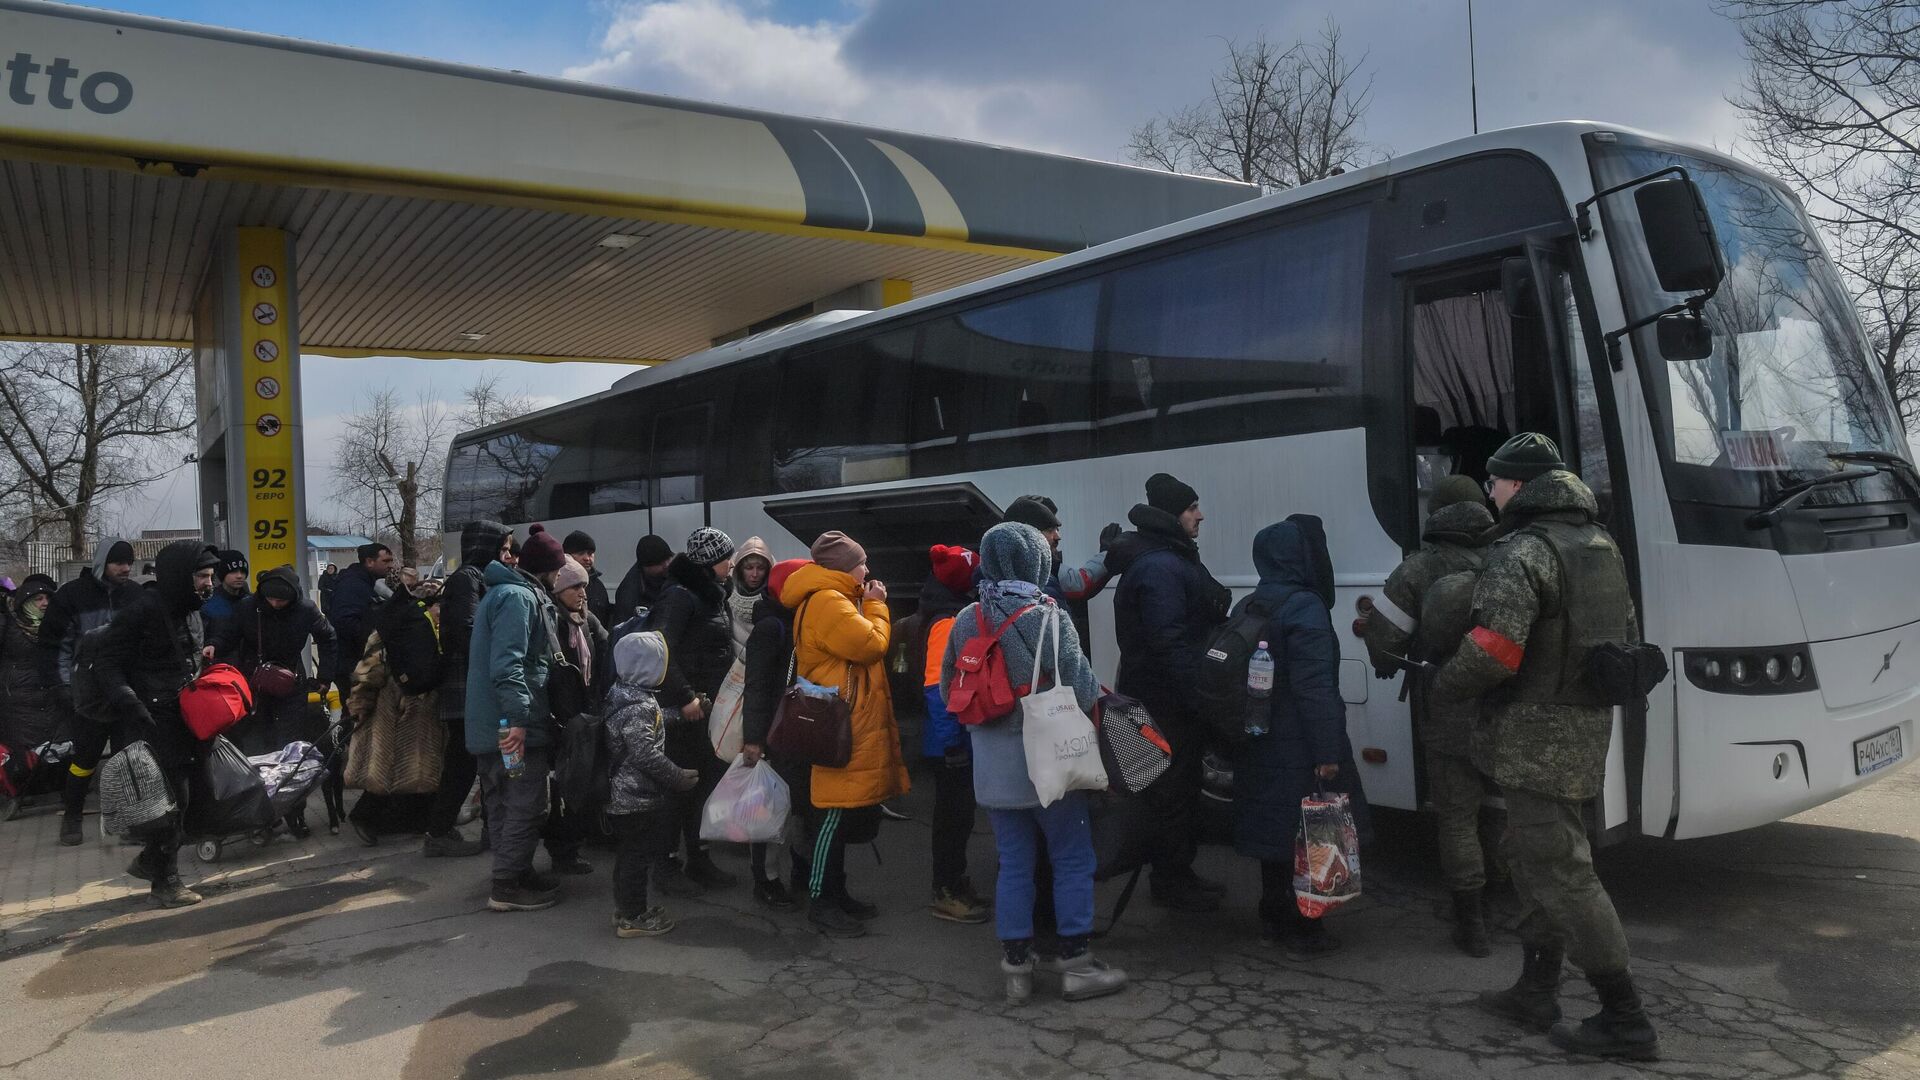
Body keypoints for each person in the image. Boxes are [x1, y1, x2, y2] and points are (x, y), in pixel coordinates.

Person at [1431, 433, 1659, 1061]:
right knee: (1532, 857)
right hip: (1583, 730)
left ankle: (1625, 1017)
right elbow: (1625, 642)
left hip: (1533, 737)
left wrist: (1443, 684)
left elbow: (1496, 650)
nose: (1490, 491)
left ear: (1519, 487)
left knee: (1560, 871)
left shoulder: (1523, 550)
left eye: (1496, 482)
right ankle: (1536, 990)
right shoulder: (1598, 543)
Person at [943, 522, 1125, 1004]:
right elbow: (1084, 689)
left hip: (993, 766)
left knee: (1014, 864)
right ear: (1036, 562)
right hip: (1051, 762)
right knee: (1071, 858)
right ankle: (1076, 963)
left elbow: (949, 691)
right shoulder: (1049, 616)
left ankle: (1017, 971)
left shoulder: (967, 619)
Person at [1359, 475, 1500, 956]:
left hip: (1448, 711)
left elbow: (1383, 645)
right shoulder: (1512, 557)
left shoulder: (1417, 569)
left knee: (1458, 818)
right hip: (1510, 708)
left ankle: (1472, 925)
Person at [1232, 515, 1372, 959]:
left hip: (1260, 736)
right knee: (1311, 833)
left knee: (1275, 831)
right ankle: (1304, 926)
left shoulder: (1250, 604)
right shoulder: (1305, 606)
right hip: (1298, 742)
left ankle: (1273, 913)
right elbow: (1315, 687)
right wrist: (1327, 751)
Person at [780, 530, 910, 938]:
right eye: (861, 563)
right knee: (830, 819)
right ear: (842, 568)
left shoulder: (831, 598)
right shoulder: (828, 601)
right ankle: (822, 901)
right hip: (838, 727)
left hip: (841, 722)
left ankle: (837, 895)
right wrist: (876, 606)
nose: (867, 569)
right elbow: (871, 645)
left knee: (836, 817)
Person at [1111, 472, 1231, 912]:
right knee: (1171, 794)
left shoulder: (1166, 557)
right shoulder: (1161, 566)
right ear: (1172, 516)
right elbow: (1170, 643)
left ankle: (1176, 874)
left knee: (1175, 791)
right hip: (1167, 703)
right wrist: (1201, 695)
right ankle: (1171, 881)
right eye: (1191, 508)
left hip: (1166, 698)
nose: (1200, 515)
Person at [92, 540, 219, 908]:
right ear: (182, 577)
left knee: (195, 800)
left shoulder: (191, 611)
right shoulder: (142, 610)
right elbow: (106, 662)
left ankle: (151, 861)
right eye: (202, 576)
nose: (208, 584)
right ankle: (167, 882)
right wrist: (128, 700)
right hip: (151, 722)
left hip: (188, 719)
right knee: (169, 804)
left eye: (211, 576)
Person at [466, 522, 567, 912]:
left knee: (503, 802)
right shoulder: (519, 599)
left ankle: (516, 871)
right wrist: (519, 720)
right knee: (525, 803)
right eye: (558, 568)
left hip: (493, 722)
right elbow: (509, 665)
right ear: (548, 568)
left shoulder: (502, 593)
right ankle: (507, 885)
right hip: (510, 725)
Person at [210, 565, 337, 838]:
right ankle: (261, 816)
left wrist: (325, 675)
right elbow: (228, 634)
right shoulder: (248, 607)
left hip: (291, 682)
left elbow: (328, 637)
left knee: (290, 749)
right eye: (271, 599)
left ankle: (295, 812)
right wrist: (214, 644)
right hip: (254, 684)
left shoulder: (305, 609)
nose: (276, 604)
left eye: (282, 600)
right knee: (258, 747)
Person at [648, 527, 741, 891]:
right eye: (726, 557)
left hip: (707, 707)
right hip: (684, 709)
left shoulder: (709, 595)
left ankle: (699, 859)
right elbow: (661, 650)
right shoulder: (680, 597)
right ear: (709, 562)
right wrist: (685, 696)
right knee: (679, 788)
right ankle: (666, 867)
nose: (731, 563)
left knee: (702, 785)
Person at [604, 630, 703, 938]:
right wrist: (677, 776)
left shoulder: (624, 693)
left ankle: (625, 909)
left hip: (623, 795)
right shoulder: (640, 706)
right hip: (636, 796)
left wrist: (684, 716)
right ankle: (634, 916)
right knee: (637, 856)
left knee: (628, 855)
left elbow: (654, 719)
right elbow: (645, 753)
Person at [42, 536, 139, 846]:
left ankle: (129, 821)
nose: (125, 568)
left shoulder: (136, 596)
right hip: (88, 695)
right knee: (84, 759)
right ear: (101, 563)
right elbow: (56, 647)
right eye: (118, 563)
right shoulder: (71, 597)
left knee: (129, 759)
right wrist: (63, 687)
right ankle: (72, 815)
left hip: (126, 692)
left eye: (128, 562)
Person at [427, 522, 509, 858]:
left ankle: (470, 828)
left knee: (477, 759)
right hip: (465, 684)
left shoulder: (477, 577)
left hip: (472, 682)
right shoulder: (467, 579)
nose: (507, 556)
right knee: (463, 762)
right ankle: (438, 831)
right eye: (503, 548)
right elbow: (467, 631)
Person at [344, 577, 446, 844]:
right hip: (407, 707)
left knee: (407, 767)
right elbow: (369, 670)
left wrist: (360, 703)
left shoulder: (396, 626)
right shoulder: (409, 628)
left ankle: (407, 821)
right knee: (393, 767)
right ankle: (365, 816)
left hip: (399, 707)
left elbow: (366, 671)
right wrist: (360, 704)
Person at [919, 543, 989, 924]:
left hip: (955, 739)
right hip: (950, 744)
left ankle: (954, 883)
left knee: (959, 817)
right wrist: (950, 745)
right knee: (952, 818)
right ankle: (945, 890)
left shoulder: (949, 614)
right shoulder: (947, 623)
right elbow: (937, 689)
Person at [740, 558, 812, 912]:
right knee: (772, 811)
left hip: (792, 730)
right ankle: (765, 880)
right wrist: (754, 739)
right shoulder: (772, 626)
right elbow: (755, 686)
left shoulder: (794, 621)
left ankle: (799, 870)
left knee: (796, 806)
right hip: (773, 731)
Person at [541, 554, 608, 876]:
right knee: (562, 790)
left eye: (584, 585)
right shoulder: (552, 622)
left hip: (586, 717)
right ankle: (562, 851)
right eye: (574, 586)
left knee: (584, 785)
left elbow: (607, 649)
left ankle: (575, 844)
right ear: (558, 590)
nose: (582, 593)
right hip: (561, 720)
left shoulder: (587, 621)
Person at [1003, 495, 1119, 651]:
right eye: (1050, 528)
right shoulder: (1040, 577)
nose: (1058, 536)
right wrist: (1107, 555)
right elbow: (1079, 585)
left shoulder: (999, 570)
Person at [0, 575, 59, 757]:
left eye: (48, 598)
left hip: (47, 696)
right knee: (23, 755)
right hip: (17, 700)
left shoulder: (55, 625)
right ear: (25, 602)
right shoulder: (8, 624)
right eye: (38, 599)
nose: (45, 603)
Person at [331, 542, 394, 701]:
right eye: (385, 561)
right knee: (357, 714)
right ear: (369, 562)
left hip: (360, 662)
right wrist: (373, 639)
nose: (390, 566)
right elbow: (345, 622)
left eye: (390, 561)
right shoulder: (352, 585)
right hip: (352, 663)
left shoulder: (366, 584)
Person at [725, 536, 774, 658]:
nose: (755, 574)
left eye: (761, 568)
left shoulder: (777, 601)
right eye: (749, 568)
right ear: (740, 570)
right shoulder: (725, 598)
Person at [613, 534, 674, 623]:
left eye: (668, 559)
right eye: (660, 563)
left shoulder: (676, 570)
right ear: (646, 567)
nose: (666, 565)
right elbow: (623, 628)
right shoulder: (628, 593)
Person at [563, 531, 614, 628]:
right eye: (580, 553)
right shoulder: (560, 586)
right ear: (567, 556)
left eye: (590, 553)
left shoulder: (598, 585)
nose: (587, 558)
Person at [198, 550, 250, 637]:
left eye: (243, 571)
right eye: (233, 571)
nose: (239, 576)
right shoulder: (208, 604)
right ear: (222, 574)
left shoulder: (252, 602)